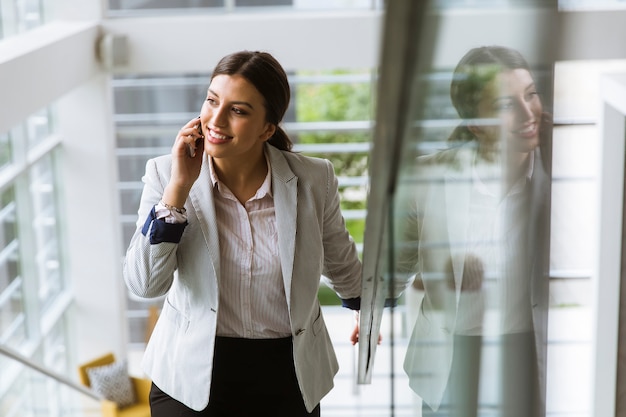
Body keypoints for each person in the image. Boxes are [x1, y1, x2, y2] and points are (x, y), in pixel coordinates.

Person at [123, 50, 363, 417]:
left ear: (268, 128)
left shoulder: (314, 179)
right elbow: (144, 285)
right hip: (191, 374)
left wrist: (365, 307)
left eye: (238, 110)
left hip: (288, 371)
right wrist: (178, 192)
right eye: (212, 101)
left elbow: (339, 258)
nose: (215, 120)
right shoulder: (165, 174)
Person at [397, 46, 552, 417]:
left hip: (526, 351)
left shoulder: (562, 178)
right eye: (504, 104)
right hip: (451, 357)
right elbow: (395, 266)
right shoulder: (426, 178)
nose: (528, 111)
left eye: (530, 94)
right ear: (475, 123)